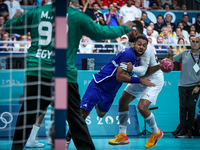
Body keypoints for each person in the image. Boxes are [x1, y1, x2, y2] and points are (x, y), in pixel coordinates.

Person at [5, 3, 136, 150]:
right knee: (76, 120)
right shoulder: (77, 16)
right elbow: (102, 33)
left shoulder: (37, 12)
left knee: (26, 118)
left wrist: (15, 17)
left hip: (37, 71)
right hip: (64, 75)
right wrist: (124, 27)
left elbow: (10, 27)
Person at [108, 20, 164, 149]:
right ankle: (122, 135)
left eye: (128, 30)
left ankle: (156, 132)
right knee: (122, 101)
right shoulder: (130, 43)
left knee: (142, 107)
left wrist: (131, 69)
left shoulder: (146, 47)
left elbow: (144, 70)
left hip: (153, 80)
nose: (126, 32)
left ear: (135, 32)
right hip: (141, 77)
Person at [168, 36, 200, 138]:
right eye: (193, 41)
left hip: (194, 86)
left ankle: (190, 130)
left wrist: (198, 86)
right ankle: (182, 130)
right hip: (182, 85)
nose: (194, 43)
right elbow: (172, 59)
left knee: (191, 107)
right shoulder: (185, 53)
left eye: (197, 42)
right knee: (182, 108)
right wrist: (169, 54)